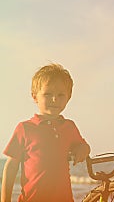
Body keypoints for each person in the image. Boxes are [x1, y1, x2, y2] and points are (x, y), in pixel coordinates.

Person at [1, 63, 91, 202]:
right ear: (35, 97)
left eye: (61, 95)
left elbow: (84, 146)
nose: (54, 99)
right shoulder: (25, 128)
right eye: (48, 94)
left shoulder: (69, 127)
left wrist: (82, 150)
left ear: (69, 97)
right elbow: (11, 166)